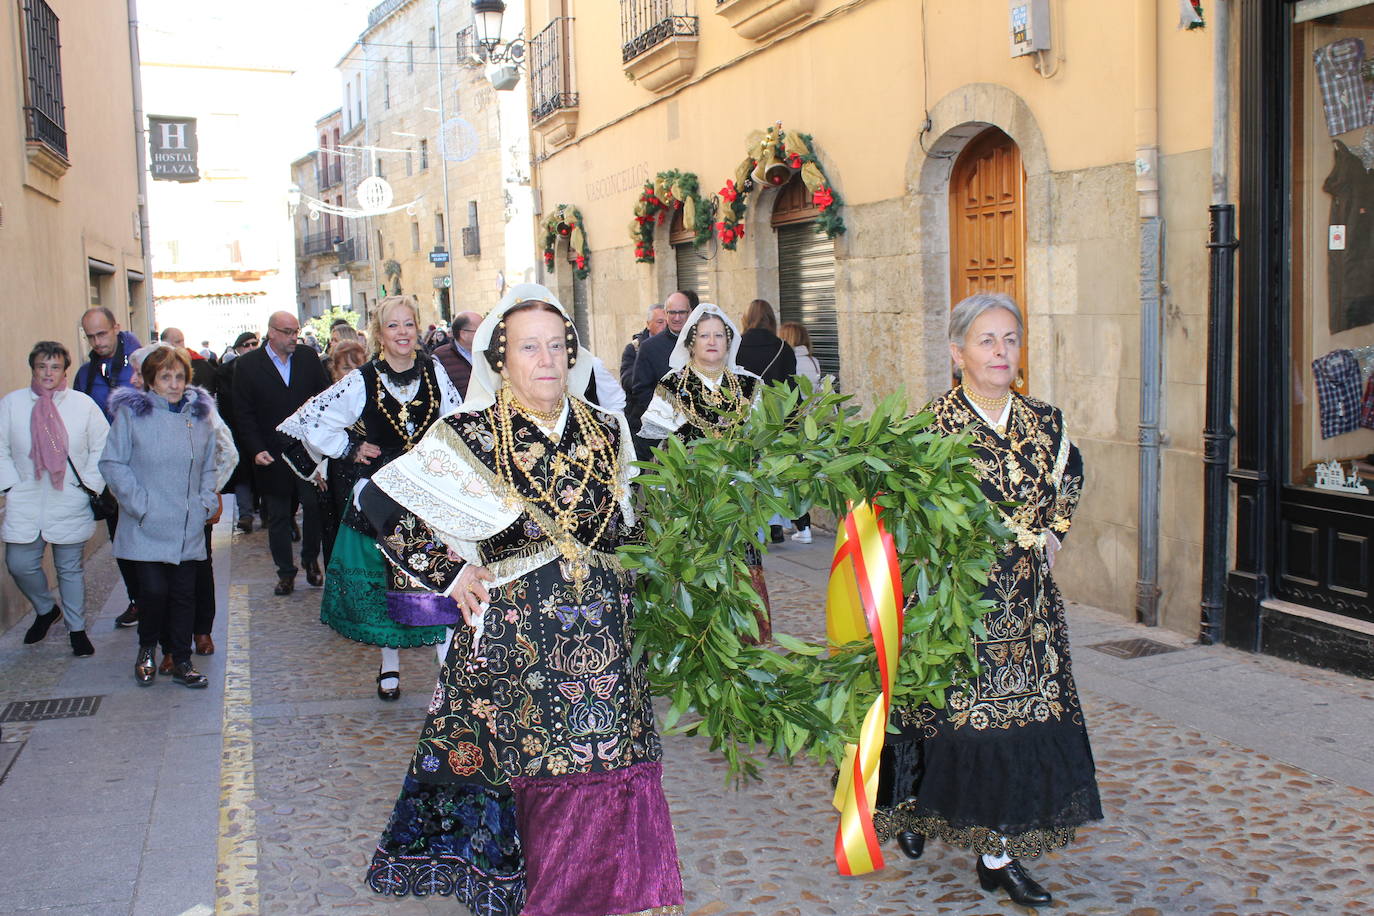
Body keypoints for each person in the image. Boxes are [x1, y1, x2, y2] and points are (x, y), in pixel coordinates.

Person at [358, 284, 683, 914]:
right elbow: (379, 502)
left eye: (557, 346)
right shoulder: (468, 434)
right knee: (536, 782)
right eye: (529, 348)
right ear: (501, 360)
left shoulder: (606, 427)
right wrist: (448, 576)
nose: (546, 360)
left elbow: (627, 526)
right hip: (516, 648)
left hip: (607, 649)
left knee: (612, 773)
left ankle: (620, 896)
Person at [874, 293, 1101, 908]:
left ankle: (997, 855)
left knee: (1019, 728)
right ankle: (921, 806)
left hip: (1028, 609)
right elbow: (899, 510)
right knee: (950, 722)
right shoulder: (928, 429)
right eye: (986, 340)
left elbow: (1072, 474)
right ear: (957, 354)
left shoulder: (1045, 422)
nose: (1001, 352)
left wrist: (1053, 531)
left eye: (1009, 339)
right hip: (958, 608)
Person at [277, 297, 461, 700]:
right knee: (384, 582)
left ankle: (447, 671)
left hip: (427, 493)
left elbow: (456, 423)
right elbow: (313, 421)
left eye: (409, 324)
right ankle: (389, 664)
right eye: (393, 326)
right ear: (379, 334)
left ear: (418, 329)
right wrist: (349, 448)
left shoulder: (434, 372)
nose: (402, 333)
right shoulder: (362, 379)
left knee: (435, 579)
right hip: (381, 495)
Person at [638, 303, 771, 641]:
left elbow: (762, 442)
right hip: (690, 504)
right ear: (691, 343)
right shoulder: (672, 386)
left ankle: (742, 648)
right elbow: (659, 450)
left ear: (729, 342)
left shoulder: (750, 386)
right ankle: (698, 645)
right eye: (704, 335)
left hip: (737, 502)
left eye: (718, 335)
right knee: (696, 576)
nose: (711, 341)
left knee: (739, 573)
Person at [99, 346, 218, 688]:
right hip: (146, 524)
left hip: (186, 524)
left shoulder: (199, 417)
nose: (174, 383)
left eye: (179, 376)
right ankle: (147, 648)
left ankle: (181, 660)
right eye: (166, 377)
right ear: (150, 381)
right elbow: (112, 463)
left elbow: (209, 464)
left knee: (183, 595)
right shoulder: (132, 416)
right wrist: (140, 504)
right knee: (152, 593)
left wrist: (205, 502)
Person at [127, 344, 238, 671]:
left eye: (138, 371)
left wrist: (207, 495)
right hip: (152, 513)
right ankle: (169, 647)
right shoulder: (134, 411)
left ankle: (200, 632)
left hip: (191, 511)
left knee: (194, 578)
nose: (134, 378)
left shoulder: (198, 407)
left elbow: (226, 452)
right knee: (157, 584)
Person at [0, 342, 109, 657]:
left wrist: (88, 485)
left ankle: (77, 630)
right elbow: (2, 447)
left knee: (70, 569)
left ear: (65, 370)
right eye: (42, 366)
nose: (48, 373)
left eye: (55, 366)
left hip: (69, 497)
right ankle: (46, 610)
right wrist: (10, 486)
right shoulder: (12, 404)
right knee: (19, 564)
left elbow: (102, 446)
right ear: (33, 368)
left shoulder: (82, 404)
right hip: (26, 497)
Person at [231, 310, 330, 596]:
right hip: (271, 453)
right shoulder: (248, 365)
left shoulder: (308, 358)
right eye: (287, 332)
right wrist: (255, 448)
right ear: (271, 332)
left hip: (306, 451)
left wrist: (321, 444)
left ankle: (311, 561)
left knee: (313, 507)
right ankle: (285, 572)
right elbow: (243, 413)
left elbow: (323, 400)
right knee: (277, 515)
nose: (293, 337)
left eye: (295, 331)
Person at [75, 307, 143, 628]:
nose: (97, 341)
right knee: (122, 542)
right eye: (90, 336)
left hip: (145, 468)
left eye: (102, 333)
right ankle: (137, 600)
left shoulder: (142, 363)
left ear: (116, 327)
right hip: (109, 474)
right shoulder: (86, 374)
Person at [735, 299, 797, 543]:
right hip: (775, 420)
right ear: (772, 319)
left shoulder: (735, 347)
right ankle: (775, 525)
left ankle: (752, 523)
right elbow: (792, 390)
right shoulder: (783, 348)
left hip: (744, 420)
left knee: (747, 470)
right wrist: (793, 423)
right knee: (773, 473)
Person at [627, 290, 696, 429]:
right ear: (666, 314)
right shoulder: (649, 347)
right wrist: (665, 419)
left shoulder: (701, 342)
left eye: (682, 312)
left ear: (690, 312)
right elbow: (641, 391)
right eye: (672, 312)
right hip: (662, 428)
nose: (677, 318)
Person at [779, 321, 822, 544]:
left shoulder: (790, 361)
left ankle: (803, 526)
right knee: (800, 477)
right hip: (811, 427)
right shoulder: (813, 361)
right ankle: (796, 523)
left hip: (795, 425)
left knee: (790, 477)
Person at [215, 332, 260, 533]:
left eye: (254, 344)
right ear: (238, 348)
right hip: (237, 432)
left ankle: (270, 514)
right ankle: (246, 515)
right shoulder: (225, 372)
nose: (250, 347)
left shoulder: (263, 368)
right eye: (246, 345)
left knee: (264, 475)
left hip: (261, 431)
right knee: (242, 475)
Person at [432, 309, 482, 398]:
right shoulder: (440, 357)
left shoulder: (488, 353)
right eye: (480, 329)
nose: (485, 333)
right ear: (463, 334)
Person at [620, 303, 666, 392]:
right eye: (660, 322)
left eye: (667, 322)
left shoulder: (677, 345)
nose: (664, 326)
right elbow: (627, 382)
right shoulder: (634, 349)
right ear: (648, 324)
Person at [160, 327, 217, 392]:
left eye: (181, 341)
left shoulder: (201, 364)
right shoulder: (158, 365)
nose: (181, 345)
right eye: (178, 342)